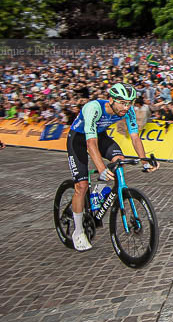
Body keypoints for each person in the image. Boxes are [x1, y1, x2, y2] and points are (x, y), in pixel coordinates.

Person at [64, 83, 157, 251]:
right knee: (82, 185)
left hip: (100, 136)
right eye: (122, 102)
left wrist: (144, 161)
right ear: (111, 99)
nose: (126, 107)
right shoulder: (93, 108)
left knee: (119, 160)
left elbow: (135, 137)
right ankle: (78, 232)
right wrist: (101, 169)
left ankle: (100, 192)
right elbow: (91, 143)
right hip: (78, 138)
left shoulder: (127, 111)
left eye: (129, 102)